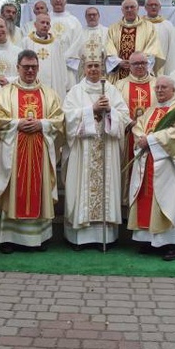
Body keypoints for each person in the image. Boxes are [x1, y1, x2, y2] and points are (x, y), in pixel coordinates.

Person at [0, 50, 65, 253]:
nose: (30, 70)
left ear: (38, 67)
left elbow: (59, 119)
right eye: (26, 67)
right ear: (18, 68)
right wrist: (18, 123)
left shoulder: (48, 93)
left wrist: (41, 124)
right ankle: (9, 239)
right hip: (14, 152)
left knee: (39, 190)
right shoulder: (6, 92)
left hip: (40, 152)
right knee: (14, 189)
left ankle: (38, 238)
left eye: (33, 67)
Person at [63, 41, 130, 249]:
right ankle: (79, 238)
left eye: (97, 66)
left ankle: (106, 237)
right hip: (83, 150)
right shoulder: (75, 91)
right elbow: (66, 118)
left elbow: (125, 117)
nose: (93, 69)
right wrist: (90, 110)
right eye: (90, 66)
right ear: (84, 68)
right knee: (80, 188)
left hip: (106, 148)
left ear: (102, 68)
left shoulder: (111, 90)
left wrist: (110, 111)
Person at [128, 76, 175, 261]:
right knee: (146, 200)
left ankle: (172, 244)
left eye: (164, 87)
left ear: (173, 90)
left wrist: (150, 140)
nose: (159, 90)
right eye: (157, 87)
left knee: (170, 202)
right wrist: (142, 138)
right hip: (148, 164)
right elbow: (138, 128)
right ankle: (149, 241)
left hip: (170, 167)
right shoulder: (151, 110)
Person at [114, 52, 156, 207]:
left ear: (148, 64)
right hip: (127, 136)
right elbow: (114, 110)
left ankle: (147, 205)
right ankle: (125, 207)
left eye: (143, 63)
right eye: (136, 64)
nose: (140, 66)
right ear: (129, 66)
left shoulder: (156, 84)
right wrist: (129, 123)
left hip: (150, 138)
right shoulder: (120, 85)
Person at [105, 0, 163, 83]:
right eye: (126, 8)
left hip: (141, 72)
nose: (129, 10)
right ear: (122, 10)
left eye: (132, 7)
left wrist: (138, 63)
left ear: (138, 9)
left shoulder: (149, 27)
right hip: (119, 74)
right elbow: (109, 49)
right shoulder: (113, 28)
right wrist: (118, 62)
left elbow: (152, 49)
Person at [19, 13, 72, 102]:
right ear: (35, 25)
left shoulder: (56, 43)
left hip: (53, 85)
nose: (45, 25)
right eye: (42, 22)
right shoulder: (26, 42)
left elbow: (61, 65)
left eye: (47, 23)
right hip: (31, 85)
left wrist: (64, 83)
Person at [65, 7, 109, 83]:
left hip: (103, 69)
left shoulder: (107, 31)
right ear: (85, 17)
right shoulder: (80, 33)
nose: (92, 17)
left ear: (99, 16)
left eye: (94, 15)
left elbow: (110, 51)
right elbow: (73, 52)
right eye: (89, 15)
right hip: (84, 71)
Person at [143, 0, 175, 74]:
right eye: (151, 5)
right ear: (145, 8)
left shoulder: (167, 25)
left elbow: (173, 49)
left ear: (160, 7)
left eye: (156, 5)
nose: (153, 7)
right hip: (142, 66)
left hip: (163, 67)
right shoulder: (140, 24)